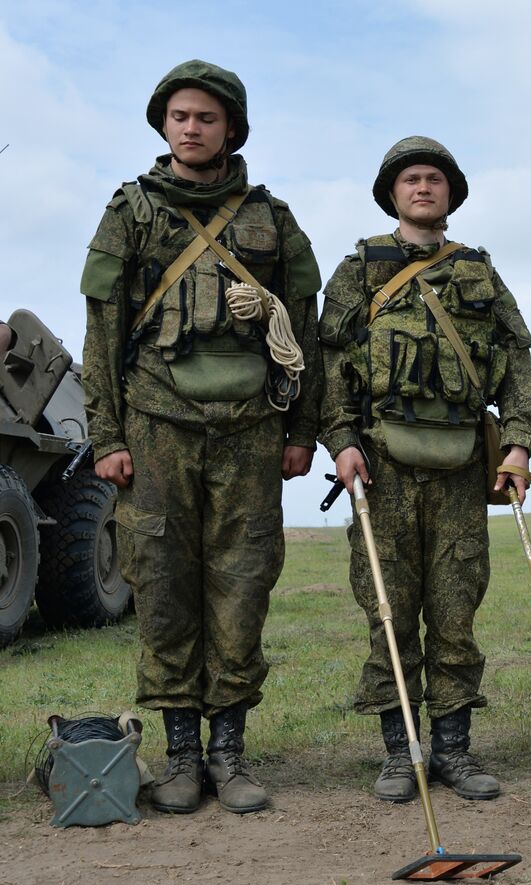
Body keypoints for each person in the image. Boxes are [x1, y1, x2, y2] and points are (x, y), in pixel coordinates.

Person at [80, 60, 323, 813]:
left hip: (251, 431)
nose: (192, 128)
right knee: (161, 586)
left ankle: (230, 752)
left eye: (207, 118)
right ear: (163, 124)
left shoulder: (272, 218)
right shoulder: (131, 211)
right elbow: (103, 333)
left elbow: (304, 329)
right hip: (156, 429)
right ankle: (182, 755)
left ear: (231, 129)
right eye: (181, 116)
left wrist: (301, 430)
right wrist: (107, 436)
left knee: (243, 583)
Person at [319, 137, 531, 801]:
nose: (424, 188)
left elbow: (517, 363)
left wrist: (521, 444)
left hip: (456, 470)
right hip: (382, 466)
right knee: (389, 612)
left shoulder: (480, 273)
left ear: (451, 194)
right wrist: (340, 441)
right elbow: (329, 364)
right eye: (412, 179)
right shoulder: (358, 271)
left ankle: (453, 751)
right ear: (393, 192)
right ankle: (400, 753)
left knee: (454, 612)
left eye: (436, 180)